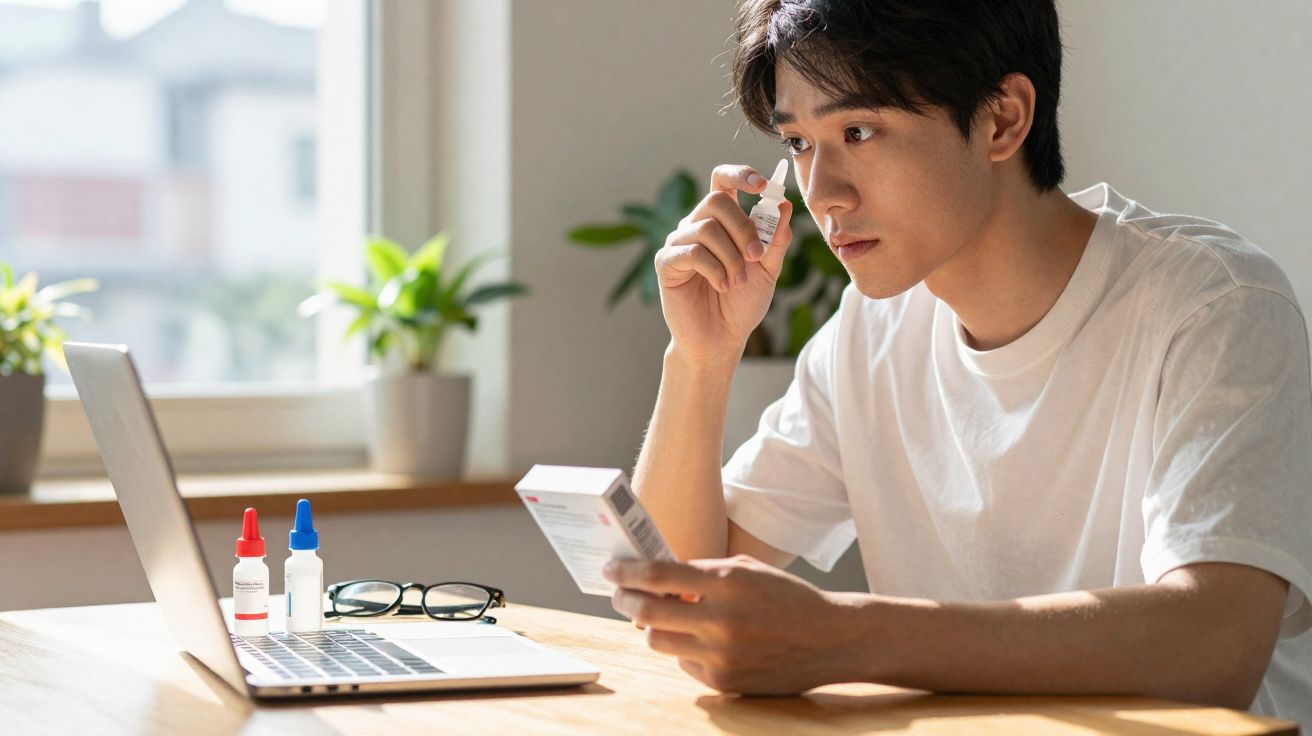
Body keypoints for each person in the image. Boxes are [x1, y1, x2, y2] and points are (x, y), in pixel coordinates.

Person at [603, 0, 1312, 722]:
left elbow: (1216, 645)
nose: (823, 195)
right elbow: (677, 595)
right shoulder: (869, 331)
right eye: (800, 144)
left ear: (1003, 119)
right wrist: (701, 355)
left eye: (857, 131)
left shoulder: (1214, 305)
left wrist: (850, 637)